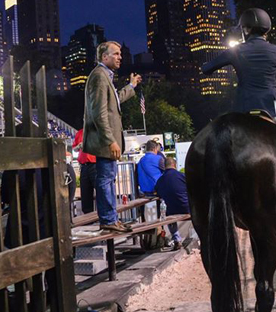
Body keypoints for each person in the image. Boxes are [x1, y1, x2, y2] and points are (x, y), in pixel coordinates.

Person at [201, 7, 276, 210]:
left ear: (245, 30)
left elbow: (206, 69)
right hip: (273, 108)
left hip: (242, 111)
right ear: (267, 30)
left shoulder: (236, 50)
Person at [83, 41, 142, 234]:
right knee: (105, 179)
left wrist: (131, 86)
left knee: (108, 178)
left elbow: (114, 101)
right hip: (105, 141)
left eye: (120, 54)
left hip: (107, 140)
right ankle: (108, 219)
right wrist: (111, 140)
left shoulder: (105, 76)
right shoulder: (99, 76)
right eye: (115, 54)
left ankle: (111, 219)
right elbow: (99, 113)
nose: (120, 57)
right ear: (104, 57)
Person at [155, 157, 189, 250]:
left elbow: (157, 192)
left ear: (165, 167)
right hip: (187, 208)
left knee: (168, 216)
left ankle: (177, 240)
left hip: (171, 211)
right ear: (175, 165)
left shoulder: (160, 180)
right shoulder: (182, 176)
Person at [73, 128, 97, 214]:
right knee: (85, 192)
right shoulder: (79, 133)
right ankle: (88, 215)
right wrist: (79, 146)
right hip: (84, 166)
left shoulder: (96, 131)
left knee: (100, 191)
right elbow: (74, 149)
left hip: (95, 164)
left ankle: (103, 216)